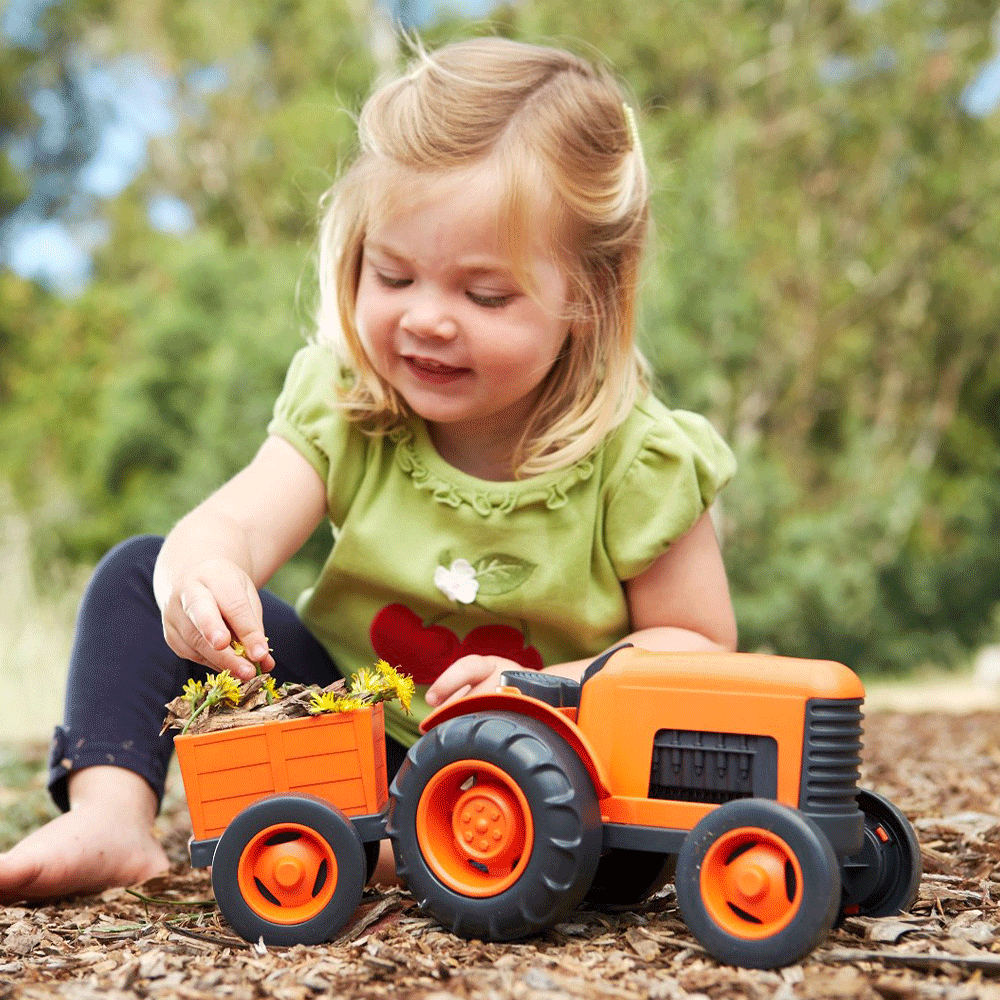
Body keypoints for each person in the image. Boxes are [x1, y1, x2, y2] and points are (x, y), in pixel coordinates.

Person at [0, 36, 737, 904]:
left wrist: (549, 690)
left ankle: (406, 848)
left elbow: (699, 646)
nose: (426, 319)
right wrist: (204, 578)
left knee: (628, 844)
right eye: (393, 274)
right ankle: (113, 815)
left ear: (589, 296)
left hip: (546, 768)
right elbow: (236, 522)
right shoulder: (351, 405)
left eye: (485, 294)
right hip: (351, 729)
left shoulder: (636, 456)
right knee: (140, 572)